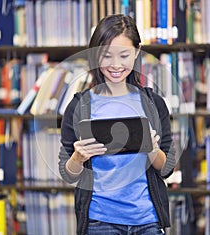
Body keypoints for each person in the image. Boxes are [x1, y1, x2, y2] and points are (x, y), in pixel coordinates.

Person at [58, 14, 176, 235]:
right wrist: (78, 157)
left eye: (124, 55)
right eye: (106, 56)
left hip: (147, 220)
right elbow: (68, 174)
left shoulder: (154, 104)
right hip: (99, 221)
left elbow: (167, 168)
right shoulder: (79, 107)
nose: (115, 65)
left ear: (137, 51)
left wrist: (151, 149)